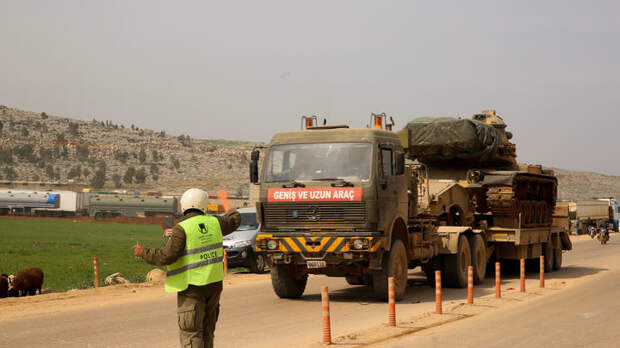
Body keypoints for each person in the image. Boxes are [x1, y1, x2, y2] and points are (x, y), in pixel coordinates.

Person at [132, 188, 240, 348]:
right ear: (204, 206)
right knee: (207, 333)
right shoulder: (215, 223)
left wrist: (144, 253)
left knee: (191, 334)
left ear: (184, 206)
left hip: (192, 289)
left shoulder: (181, 228)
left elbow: (167, 256)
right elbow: (235, 219)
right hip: (214, 286)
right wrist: (224, 201)